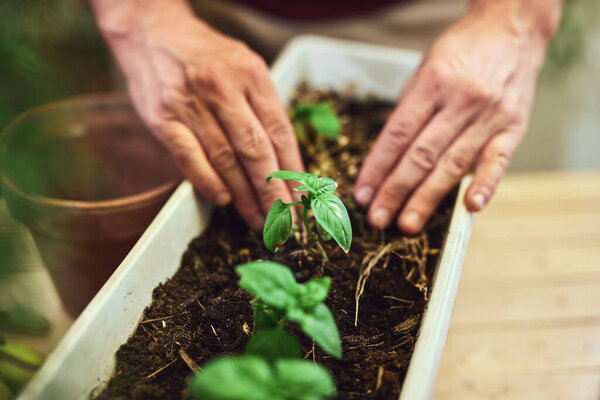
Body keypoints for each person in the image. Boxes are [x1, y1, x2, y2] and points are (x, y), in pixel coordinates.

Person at [90, 0, 563, 234]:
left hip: (416, 20)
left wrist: (519, 16)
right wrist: (136, 16)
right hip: (188, 21)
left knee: (435, 160)